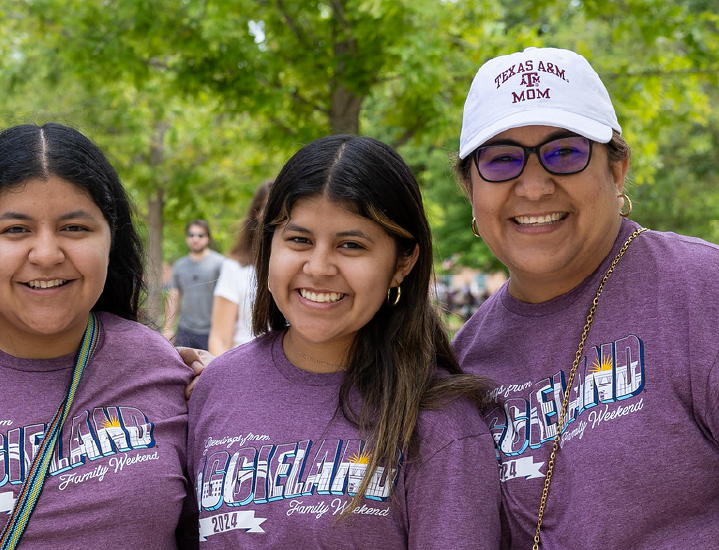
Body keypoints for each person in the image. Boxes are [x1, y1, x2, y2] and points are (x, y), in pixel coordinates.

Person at [449, 47, 719, 549]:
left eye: (564, 153)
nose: (535, 186)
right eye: (501, 161)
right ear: (471, 192)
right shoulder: (467, 361)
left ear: (616, 171)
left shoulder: (713, 296)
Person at [0, 123, 192, 548]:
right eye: (16, 230)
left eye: (75, 228)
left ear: (110, 239)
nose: (46, 255)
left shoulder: (160, 366)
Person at [189, 135, 502, 548]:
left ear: (402, 261)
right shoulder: (217, 387)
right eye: (299, 239)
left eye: (351, 245)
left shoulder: (441, 424)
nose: (318, 268)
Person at [208, 181, 270, 355]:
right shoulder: (234, 267)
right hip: (244, 368)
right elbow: (220, 339)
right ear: (257, 213)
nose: (275, 214)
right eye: (268, 206)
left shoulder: (303, 267)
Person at [167, 220, 225, 349]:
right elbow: (174, 297)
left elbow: (227, 299)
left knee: (210, 369)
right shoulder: (179, 266)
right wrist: (168, 328)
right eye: (191, 235)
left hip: (211, 331)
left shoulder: (219, 263)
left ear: (208, 238)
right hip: (185, 330)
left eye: (200, 235)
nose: (195, 239)